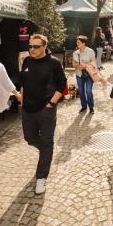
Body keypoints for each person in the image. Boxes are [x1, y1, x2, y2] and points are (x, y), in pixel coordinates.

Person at [21, 34, 67, 195]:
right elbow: (23, 83)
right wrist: (22, 99)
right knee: (29, 138)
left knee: (46, 142)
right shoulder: (26, 61)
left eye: (35, 46)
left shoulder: (53, 63)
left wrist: (51, 103)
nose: (32, 49)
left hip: (46, 109)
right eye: (30, 46)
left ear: (44, 47)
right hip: (27, 109)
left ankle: (41, 177)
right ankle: (46, 152)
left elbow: (62, 84)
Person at [72, 35, 97, 113]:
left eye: (78, 42)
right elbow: (73, 64)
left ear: (83, 43)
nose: (77, 43)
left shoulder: (90, 51)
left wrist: (85, 66)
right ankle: (84, 106)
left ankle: (91, 107)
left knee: (88, 91)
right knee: (81, 91)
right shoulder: (75, 53)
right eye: (77, 42)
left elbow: (93, 62)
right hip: (79, 74)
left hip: (89, 74)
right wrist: (80, 66)